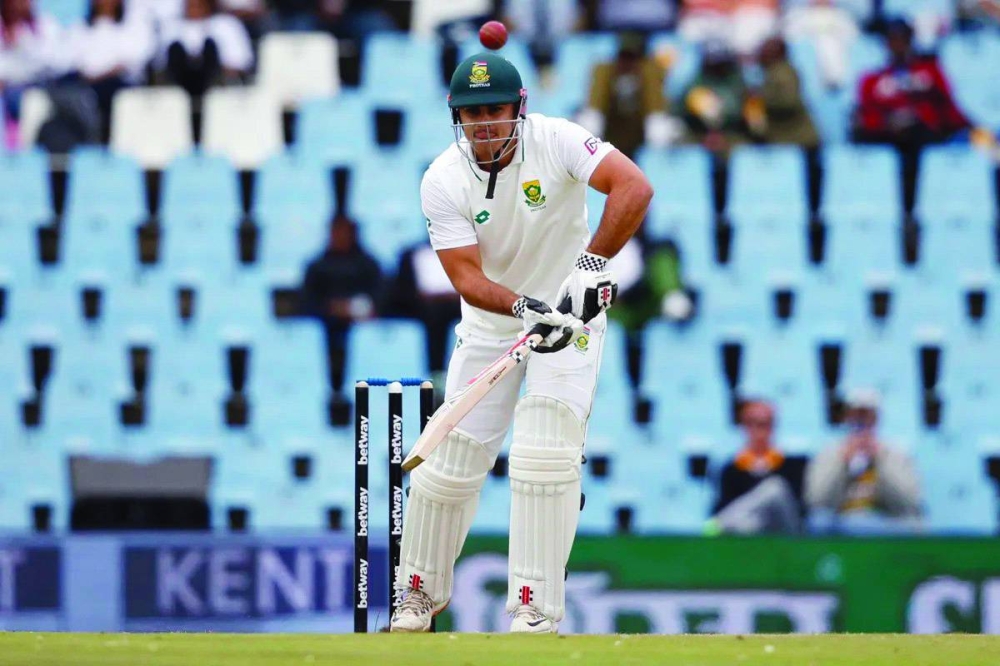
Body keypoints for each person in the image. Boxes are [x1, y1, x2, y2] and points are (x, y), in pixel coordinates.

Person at [390, 51, 652, 634]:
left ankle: (533, 608)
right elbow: (465, 279)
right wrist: (523, 307)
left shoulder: (557, 140)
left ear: (519, 108)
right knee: (448, 463)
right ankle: (415, 597)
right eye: (471, 112)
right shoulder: (442, 178)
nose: (484, 123)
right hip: (493, 326)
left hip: (571, 319)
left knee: (543, 456)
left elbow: (633, 187)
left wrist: (589, 266)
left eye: (494, 109)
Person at [852, 19, 972, 213]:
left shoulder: (929, 72)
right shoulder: (872, 79)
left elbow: (948, 109)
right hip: (887, 139)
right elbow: (865, 116)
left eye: (903, 39)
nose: (898, 45)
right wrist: (887, 123)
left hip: (924, 139)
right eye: (893, 40)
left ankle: (922, 211)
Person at [805, 390, 922, 531]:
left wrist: (879, 461)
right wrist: (841, 464)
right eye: (856, 414)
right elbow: (817, 501)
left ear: (875, 418)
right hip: (840, 523)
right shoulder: (828, 454)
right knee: (819, 520)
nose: (861, 420)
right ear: (847, 417)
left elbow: (908, 502)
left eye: (866, 414)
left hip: (886, 521)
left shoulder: (896, 454)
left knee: (911, 522)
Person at [300, 215, 383, 412]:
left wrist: (359, 309)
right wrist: (332, 308)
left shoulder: (368, 265)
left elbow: (381, 297)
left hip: (361, 323)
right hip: (326, 323)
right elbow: (306, 302)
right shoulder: (317, 266)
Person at [709, 399, 807, 535]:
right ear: (744, 426)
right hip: (748, 528)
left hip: (786, 530)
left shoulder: (792, 466)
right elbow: (723, 505)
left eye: (766, 423)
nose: (760, 430)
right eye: (753, 423)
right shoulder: (731, 469)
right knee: (748, 523)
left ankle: (718, 524)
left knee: (774, 488)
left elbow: (798, 509)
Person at [578, 32, 681, 159]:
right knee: (589, 126)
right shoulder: (604, 71)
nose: (627, 63)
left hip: (639, 136)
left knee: (659, 132)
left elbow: (657, 118)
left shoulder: (651, 72)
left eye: (632, 59)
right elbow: (593, 111)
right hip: (610, 135)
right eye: (623, 58)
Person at [69, 0, 155, 142]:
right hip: (87, 85)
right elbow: (74, 61)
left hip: (122, 84)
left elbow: (134, 59)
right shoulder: (80, 28)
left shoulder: (133, 24)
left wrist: (105, 73)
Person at [158, 0, 253, 98]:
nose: (195, 9)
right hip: (179, 80)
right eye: (191, 5)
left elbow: (240, 64)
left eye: (199, 5)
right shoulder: (171, 28)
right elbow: (160, 67)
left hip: (215, 82)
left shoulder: (226, 25)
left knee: (209, 45)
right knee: (176, 48)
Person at [0, 0, 72, 125]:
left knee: (35, 101)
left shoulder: (46, 25)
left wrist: (22, 44)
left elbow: (54, 62)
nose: (18, 4)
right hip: (10, 90)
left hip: (45, 85)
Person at [749, 36, 820, 149]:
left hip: (798, 139)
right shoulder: (768, 74)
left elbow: (788, 101)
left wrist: (760, 99)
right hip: (783, 139)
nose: (760, 54)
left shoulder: (783, 74)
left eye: (765, 50)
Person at [681, 41, 749, 156]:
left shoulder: (736, 80)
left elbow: (741, 112)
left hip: (731, 134)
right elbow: (679, 109)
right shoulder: (696, 81)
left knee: (743, 150)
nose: (717, 68)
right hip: (699, 134)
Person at [783, 0, 860, 90]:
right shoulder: (800, 15)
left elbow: (853, 36)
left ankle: (836, 80)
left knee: (830, 46)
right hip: (810, 54)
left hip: (837, 49)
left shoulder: (841, 15)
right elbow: (790, 36)